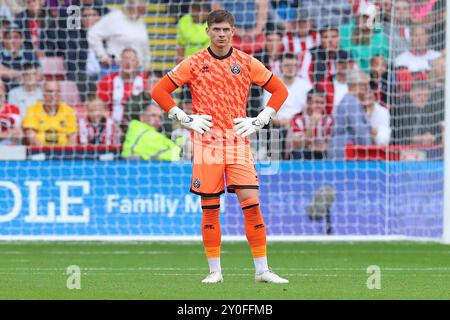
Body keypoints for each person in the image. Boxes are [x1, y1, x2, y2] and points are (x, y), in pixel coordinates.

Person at [151, 10, 289, 284]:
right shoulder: (194, 62)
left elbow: (281, 90)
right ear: (208, 31)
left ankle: (262, 270)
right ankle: (215, 271)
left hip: (238, 142)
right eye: (216, 30)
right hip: (207, 145)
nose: (222, 34)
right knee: (211, 209)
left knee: (252, 205)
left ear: (233, 31)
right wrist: (184, 118)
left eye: (226, 29)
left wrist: (262, 118)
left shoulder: (247, 62)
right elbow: (158, 91)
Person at [87, 0, 149, 78]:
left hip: (137, 71)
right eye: (143, 5)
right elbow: (93, 34)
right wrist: (103, 56)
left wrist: (146, 66)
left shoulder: (140, 22)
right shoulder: (114, 18)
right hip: (115, 69)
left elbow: (145, 47)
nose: (146, 7)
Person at [327, 70, 372, 160]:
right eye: (364, 85)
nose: (367, 88)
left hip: (343, 150)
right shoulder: (351, 102)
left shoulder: (349, 100)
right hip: (343, 152)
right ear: (356, 85)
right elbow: (359, 130)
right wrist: (370, 151)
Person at [96, 48, 145, 124]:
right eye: (125, 59)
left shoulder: (144, 81)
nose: (128, 63)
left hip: (139, 125)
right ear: (119, 63)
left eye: (131, 60)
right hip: (114, 125)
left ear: (137, 63)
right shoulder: (107, 81)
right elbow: (100, 106)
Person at [263, 52, 312, 129]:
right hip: (277, 127)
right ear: (280, 67)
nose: (290, 68)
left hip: (300, 126)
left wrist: (294, 122)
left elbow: (309, 111)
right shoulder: (271, 84)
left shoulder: (306, 86)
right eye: (287, 65)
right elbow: (267, 112)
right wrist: (281, 122)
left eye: (293, 65)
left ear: (298, 67)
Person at [22, 80, 78, 146]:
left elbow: (72, 137)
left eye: (57, 92)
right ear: (43, 94)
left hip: (63, 153)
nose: (53, 95)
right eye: (50, 92)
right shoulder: (33, 109)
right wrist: (45, 151)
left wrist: (65, 153)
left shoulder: (68, 111)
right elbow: (30, 135)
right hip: (39, 152)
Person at [339, 2, 389, 73]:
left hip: (372, 73)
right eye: (363, 17)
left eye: (369, 18)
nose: (365, 20)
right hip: (349, 69)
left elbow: (384, 57)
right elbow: (344, 50)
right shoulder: (345, 30)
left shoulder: (379, 36)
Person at [391, 79, 443, 145]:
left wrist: (432, 137)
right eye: (419, 95)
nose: (423, 99)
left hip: (424, 148)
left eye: (426, 95)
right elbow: (397, 136)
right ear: (411, 94)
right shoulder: (401, 108)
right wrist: (418, 139)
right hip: (401, 149)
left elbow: (437, 133)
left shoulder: (430, 108)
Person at [286, 89, 333, 160]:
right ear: (308, 103)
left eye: (322, 103)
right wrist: (313, 124)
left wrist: (316, 147)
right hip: (304, 153)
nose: (319, 106)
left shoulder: (328, 120)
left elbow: (333, 144)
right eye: (316, 102)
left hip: (321, 152)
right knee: (298, 152)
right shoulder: (297, 119)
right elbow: (297, 144)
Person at [0, 23, 39, 91]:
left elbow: (39, 74)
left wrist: (10, 73)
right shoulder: (1, 54)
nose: (13, 41)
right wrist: (25, 74)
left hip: (26, 92)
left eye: (16, 37)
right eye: (9, 38)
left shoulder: (29, 54)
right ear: (4, 40)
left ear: (22, 40)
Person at [0, 79, 22, 145]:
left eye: (1, 89)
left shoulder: (13, 109)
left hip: (10, 145)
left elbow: (19, 133)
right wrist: (9, 133)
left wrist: (3, 135)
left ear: (4, 91)